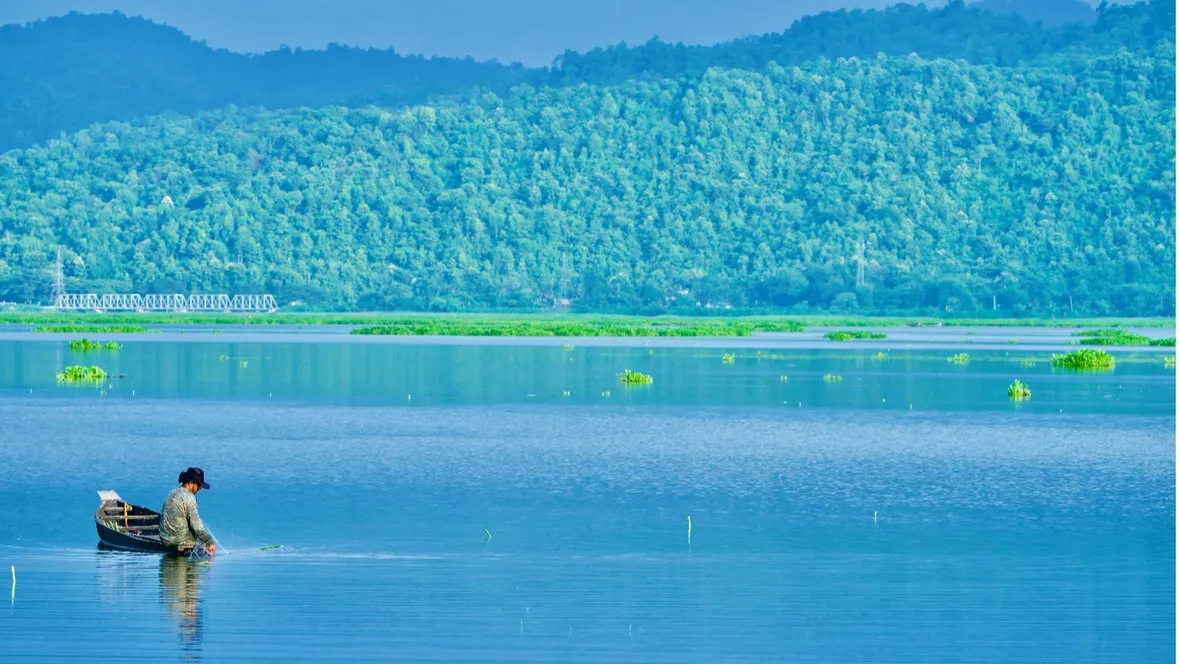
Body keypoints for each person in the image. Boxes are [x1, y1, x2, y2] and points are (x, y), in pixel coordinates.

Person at [160, 467, 217, 558]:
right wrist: (209, 542)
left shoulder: (172, 492)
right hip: (181, 544)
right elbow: (196, 525)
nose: (200, 489)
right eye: (198, 485)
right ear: (190, 483)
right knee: (208, 559)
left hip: (165, 541)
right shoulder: (189, 497)